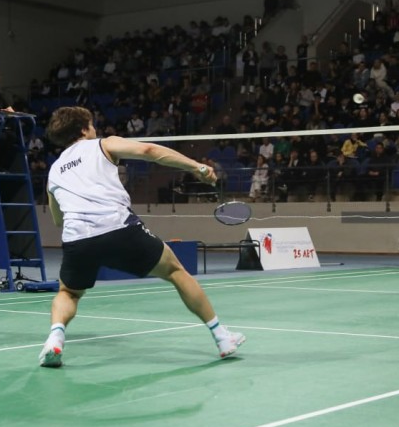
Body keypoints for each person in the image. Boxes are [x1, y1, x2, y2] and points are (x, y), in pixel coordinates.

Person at [38, 106, 245, 367]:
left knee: (69, 292)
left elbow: (58, 219)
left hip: (77, 239)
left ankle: (55, 339)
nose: (94, 129)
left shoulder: (55, 171)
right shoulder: (103, 144)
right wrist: (196, 166)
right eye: (91, 125)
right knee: (175, 271)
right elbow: (149, 151)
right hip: (118, 228)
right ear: (83, 129)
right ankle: (222, 337)